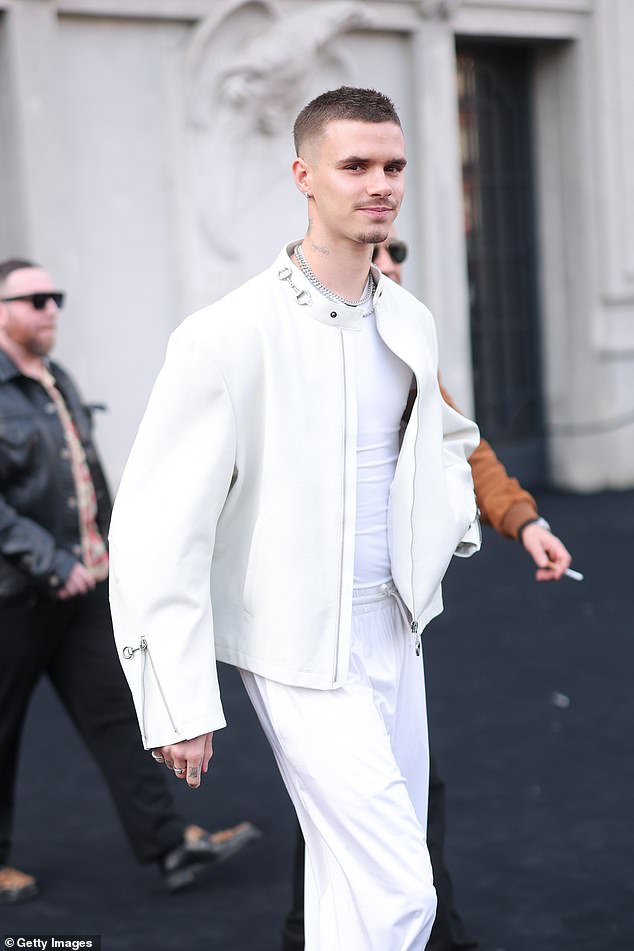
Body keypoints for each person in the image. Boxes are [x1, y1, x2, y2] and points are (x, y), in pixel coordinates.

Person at [109, 86, 482, 951]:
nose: (379, 183)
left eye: (392, 165)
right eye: (355, 165)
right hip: (295, 649)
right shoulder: (229, 332)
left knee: (348, 885)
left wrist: (448, 529)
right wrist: (177, 697)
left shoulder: (409, 317)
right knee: (399, 888)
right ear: (303, 175)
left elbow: (446, 434)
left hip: (397, 626)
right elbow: (159, 524)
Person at [279, 234, 573, 951]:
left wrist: (521, 518)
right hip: (311, 620)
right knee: (362, 803)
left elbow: (460, 442)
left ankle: (376, 931)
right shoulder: (289, 346)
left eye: (392, 271)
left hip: (395, 608)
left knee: (384, 796)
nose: (385, 281)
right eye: (376, 268)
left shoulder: (403, 334)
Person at [0, 258, 260, 905]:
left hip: (83, 587)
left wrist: (119, 547)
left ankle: (169, 845)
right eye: (33, 299)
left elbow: (90, 475)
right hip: (15, 596)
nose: (50, 308)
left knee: (119, 716)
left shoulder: (54, 378)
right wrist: (50, 560)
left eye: (54, 296)